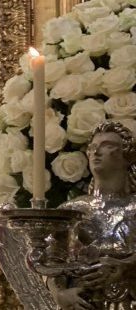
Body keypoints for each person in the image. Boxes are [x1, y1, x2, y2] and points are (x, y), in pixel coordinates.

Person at [49, 121, 136, 310]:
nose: (96, 152)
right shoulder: (71, 211)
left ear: (127, 155)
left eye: (107, 146)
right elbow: (52, 263)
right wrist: (60, 294)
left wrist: (127, 267)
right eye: (92, 148)